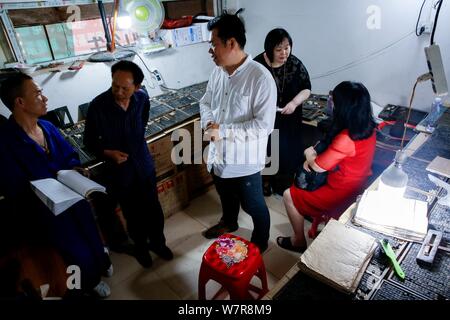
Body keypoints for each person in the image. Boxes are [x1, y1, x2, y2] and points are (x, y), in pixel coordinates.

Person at [0, 72, 112, 298]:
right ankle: (89, 282)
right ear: (20, 102)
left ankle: (99, 267)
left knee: (91, 236)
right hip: (50, 212)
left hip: (76, 200)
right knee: (73, 252)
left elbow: (70, 156)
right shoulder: (6, 142)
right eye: (38, 93)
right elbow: (14, 187)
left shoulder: (48, 128)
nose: (45, 98)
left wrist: (77, 170)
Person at [199, 13, 277, 253]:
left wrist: (223, 131)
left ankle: (261, 240)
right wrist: (208, 123)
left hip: (245, 162)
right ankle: (229, 222)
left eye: (214, 44)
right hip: (218, 155)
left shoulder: (260, 78)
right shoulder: (218, 72)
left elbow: (262, 126)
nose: (211, 50)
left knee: (253, 205)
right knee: (226, 196)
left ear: (231, 43)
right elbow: (205, 102)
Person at [84, 60, 173, 268]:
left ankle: (158, 243)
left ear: (137, 87)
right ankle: (141, 248)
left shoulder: (142, 99)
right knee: (133, 214)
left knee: (153, 209)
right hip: (120, 171)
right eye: (115, 85)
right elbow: (88, 141)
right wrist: (109, 152)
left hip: (142, 164)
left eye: (125, 88)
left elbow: (142, 121)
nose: (119, 91)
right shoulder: (98, 106)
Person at [277, 81, 376, 252]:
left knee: (289, 195)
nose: (332, 104)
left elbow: (317, 166)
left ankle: (298, 241)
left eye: (334, 101)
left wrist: (309, 152)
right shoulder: (368, 126)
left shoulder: (346, 138)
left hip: (341, 189)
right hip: (359, 181)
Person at [254, 28, 311, 195]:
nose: (284, 53)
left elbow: (306, 88)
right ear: (269, 49)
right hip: (266, 118)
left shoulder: (295, 63)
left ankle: (284, 186)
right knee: (267, 150)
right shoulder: (257, 65)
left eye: (287, 47)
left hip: (290, 117)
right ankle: (265, 183)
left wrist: (294, 103)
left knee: (288, 151)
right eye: (278, 49)